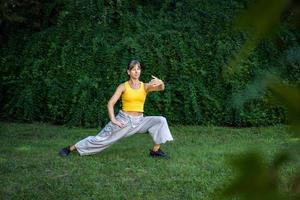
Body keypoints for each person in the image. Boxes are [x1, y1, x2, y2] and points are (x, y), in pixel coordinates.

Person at [59, 60, 173, 157]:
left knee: (161, 120)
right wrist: (113, 119)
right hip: (124, 121)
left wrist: (161, 82)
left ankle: (155, 151)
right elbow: (110, 103)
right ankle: (70, 148)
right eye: (133, 69)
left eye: (138, 69)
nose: (136, 71)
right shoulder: (123, 86)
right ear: (129, 72)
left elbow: (161, 88)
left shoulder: (145, 86)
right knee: (101, 139)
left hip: (139, 121)